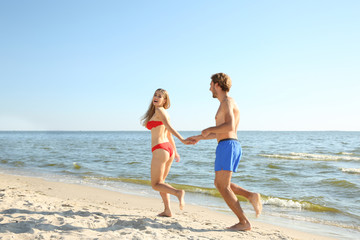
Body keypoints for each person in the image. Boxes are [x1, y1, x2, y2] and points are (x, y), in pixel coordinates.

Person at [187, 73, 262, 231]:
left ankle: (244, 222)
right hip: (229, 144)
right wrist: (200, 137)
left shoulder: (227, 102)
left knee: (223, 186)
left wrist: (209, 129)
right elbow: (224, 132)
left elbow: (228, 126)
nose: (209, 89)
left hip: (228, 146)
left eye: (211, 85)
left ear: (217, 85)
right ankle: (250, 196)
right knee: (220, 184)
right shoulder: (227, 103)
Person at [141, 88, 194, 217]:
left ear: (165, 100)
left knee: (155, 184)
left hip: (160, 149)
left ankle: (178, 193)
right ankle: (167, 210)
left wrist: (182, 140)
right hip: (167, 149)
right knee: (162, 183)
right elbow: (168, 135)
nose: (157, 97)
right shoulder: (161, 112)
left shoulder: (159, 111)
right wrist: (175, 152)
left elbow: (170, 129)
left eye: (160, 96)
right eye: (155, 95)